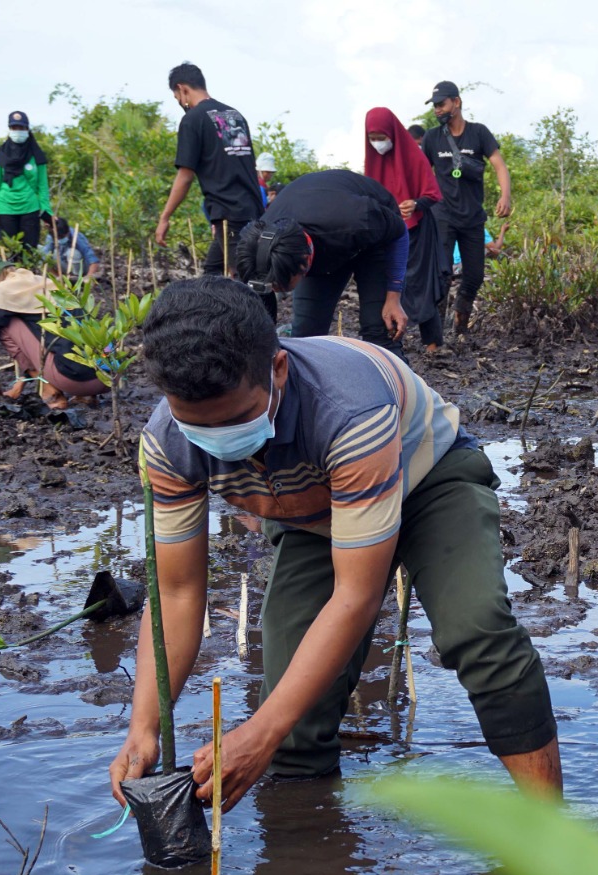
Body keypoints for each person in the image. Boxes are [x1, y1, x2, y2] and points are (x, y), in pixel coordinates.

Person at [107, 275, 561, 810]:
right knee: (293, 722)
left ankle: (549, 827)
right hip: (315, 515)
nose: (221, 442)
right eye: (198, 427)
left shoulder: (348, 409)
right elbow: (177, 592)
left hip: (427, 480)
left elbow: (355, 596)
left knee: (477, 630)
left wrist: (259, 732)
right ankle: (304, 844)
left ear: (278, 369)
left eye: (235, 420)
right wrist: (144, 727)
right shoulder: (167, 444)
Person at [235, 169, 410, 350]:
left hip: (375, 239)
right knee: (306, 336)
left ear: (303, 263)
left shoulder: (356, 220)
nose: (275, 289)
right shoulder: (261, 248)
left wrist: (394, 295)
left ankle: (391, 362)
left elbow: (399, 231)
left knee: (380, 331)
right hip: (321, 240)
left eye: (280, 285)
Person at [155, 62, 270, 314]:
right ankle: (215, 326)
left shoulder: (193, 119)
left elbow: (185, 176)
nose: (179, 102)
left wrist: (164, 218)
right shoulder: (233, 115)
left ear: (182, 89)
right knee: (213, 273)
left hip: (229, 213)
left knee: (248, 282)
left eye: (176, 97)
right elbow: (236, 163)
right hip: (249, 209)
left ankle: (260, 332)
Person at [420, 80, 512, 340]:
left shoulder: (479, 132)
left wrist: (505, 196)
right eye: (435, 106)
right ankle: (435, 336)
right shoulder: (432, 137)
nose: (437, 110)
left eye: (441, 104)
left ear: (457, 102)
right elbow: (421, 173)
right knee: (442, 274)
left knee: (474, 276)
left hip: (472, 217)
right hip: (442, 215)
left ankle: (460, 327)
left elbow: (499, 165)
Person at [0, 250, 106, 407]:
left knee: (4, 325)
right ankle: (86, 397)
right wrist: (21, 382)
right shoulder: (40, 282)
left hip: (76, 381)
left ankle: (51, 393)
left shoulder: (3, 291)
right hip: (110, 376)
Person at [364, 106, 447, 356]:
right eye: (372, 139)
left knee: (419, 284)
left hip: (417, 229)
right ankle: (389, 339)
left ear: (393, 134)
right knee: (386, 282)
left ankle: (432, 343)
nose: (378, 144)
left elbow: (431, 193)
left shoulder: (414, 156)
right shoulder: (373, 160)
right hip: (387, 231)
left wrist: (415, 203)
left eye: (381, 138)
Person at [0, 111, 51, 251]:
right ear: (9, 129)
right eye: (14, 128)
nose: (17, 131)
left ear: (27, 129)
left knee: (29, 250)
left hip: (30, 207)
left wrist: (47, 213)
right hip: (5, 207)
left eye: (21, 128)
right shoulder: (1, 155)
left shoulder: (36, 155)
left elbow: (43, 186)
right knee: (8, 251)